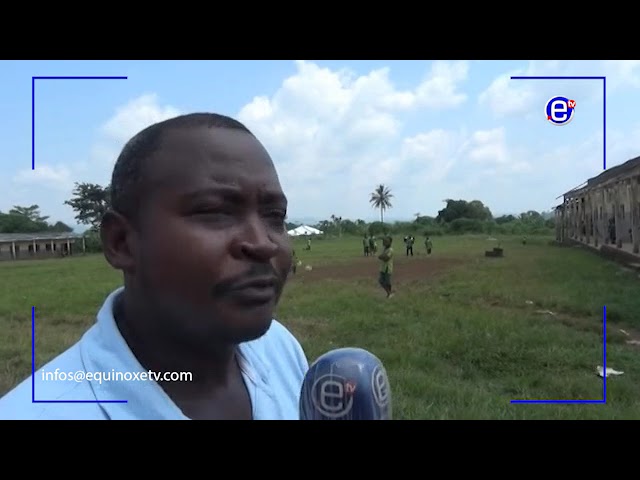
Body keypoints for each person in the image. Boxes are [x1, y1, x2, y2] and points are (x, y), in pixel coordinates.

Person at [0, 113, 309, 420]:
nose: (264, 244)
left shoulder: (278, 349)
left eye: (274, 215)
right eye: (215, 211)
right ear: (121, 242)